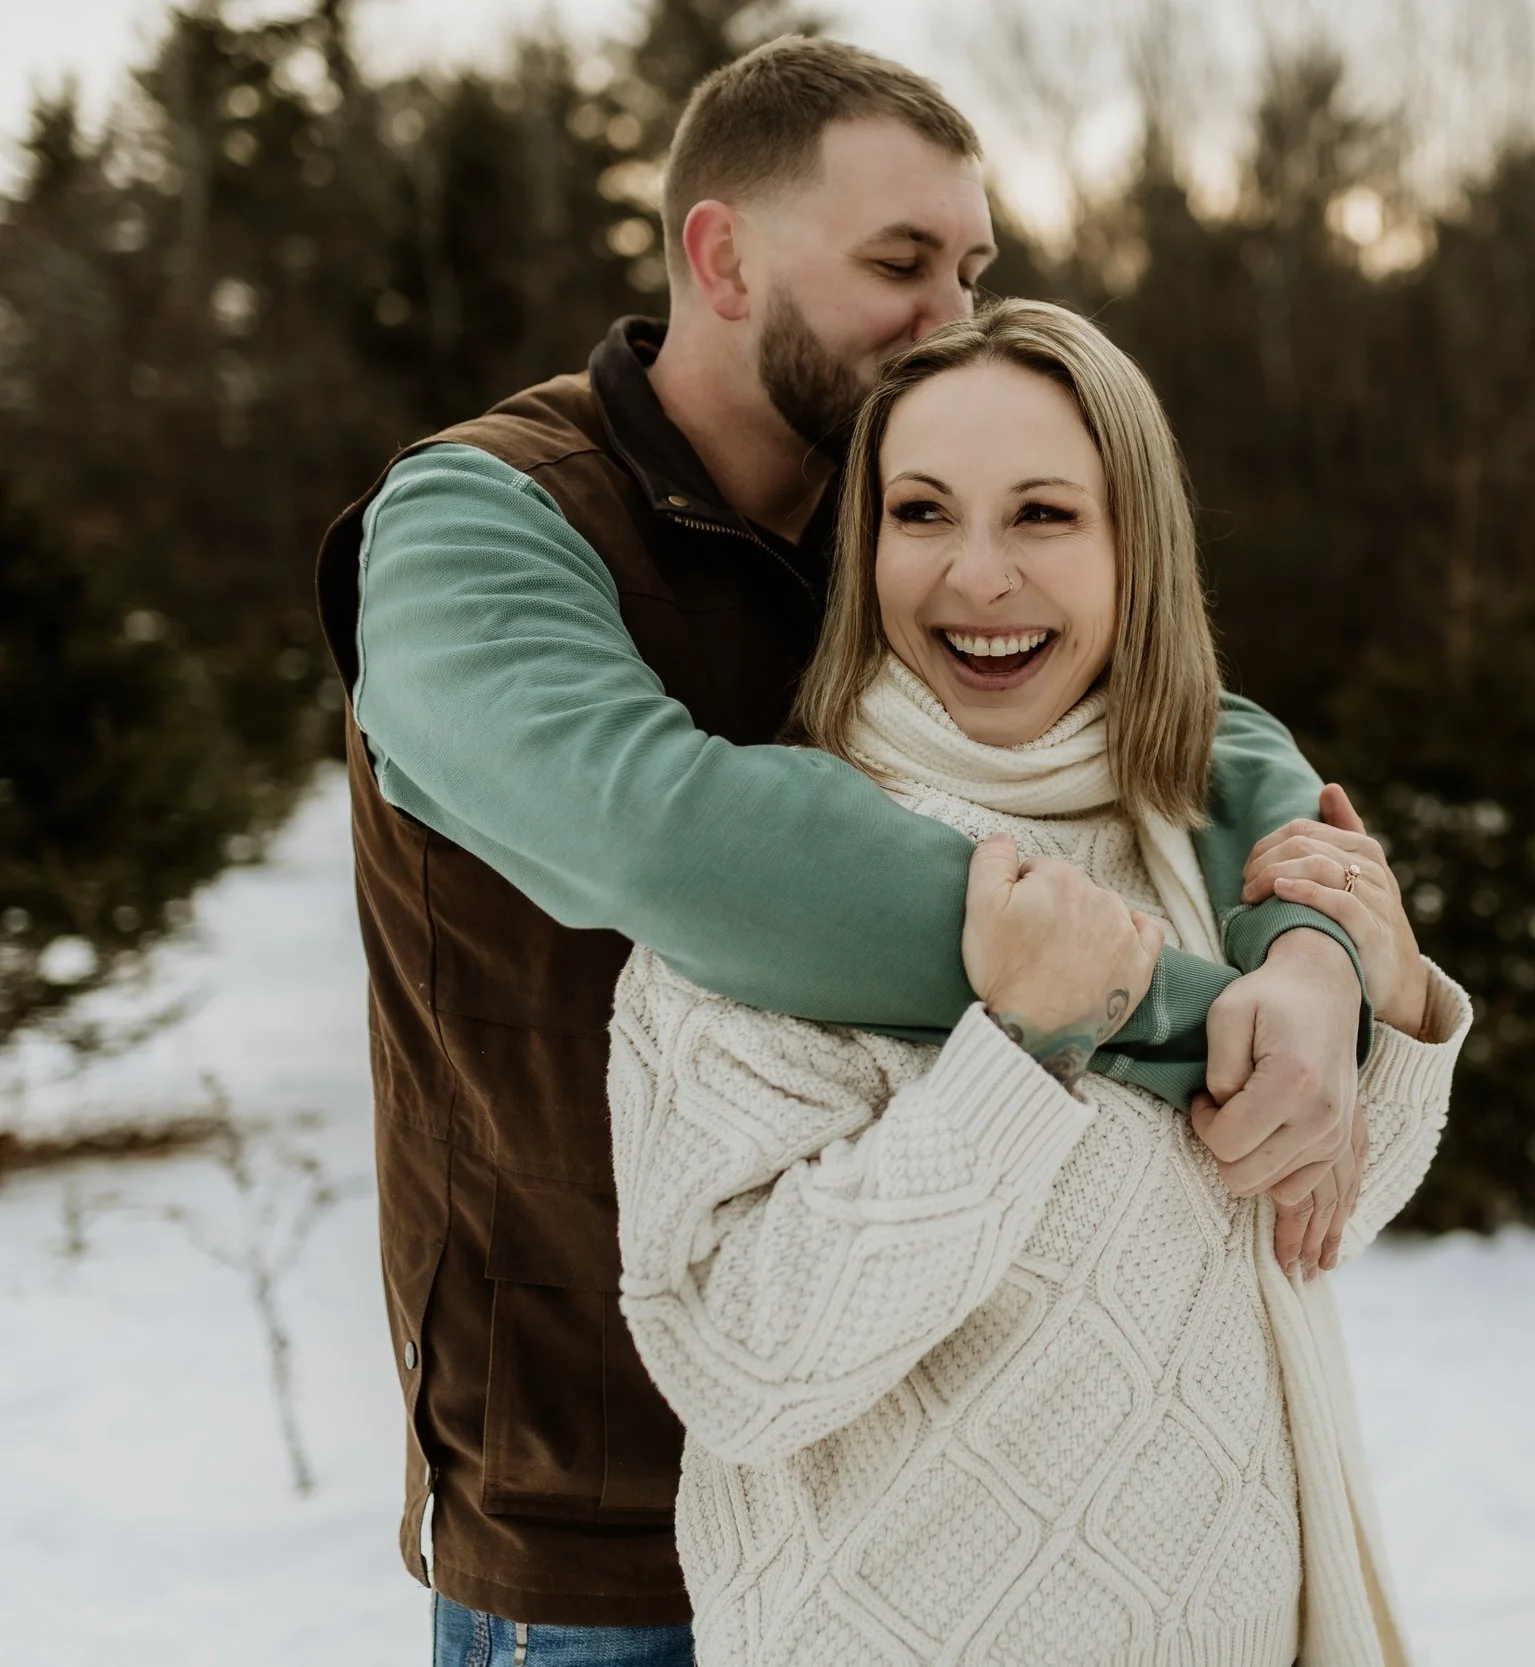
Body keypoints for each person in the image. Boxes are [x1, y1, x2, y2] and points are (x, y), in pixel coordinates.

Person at [310, 38, 1378, 1667]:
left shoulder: (896, 523)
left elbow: (1189, 712)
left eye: (972, 268)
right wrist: (1169, 1005)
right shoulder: (481, 525)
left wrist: (1316, 953)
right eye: (899, 264)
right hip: (597, 1509)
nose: (950, 319)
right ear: (720, 254)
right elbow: (678, 845)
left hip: (908, 1508)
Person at [611, 296, 1468, 1667]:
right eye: (924, 512)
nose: (978, 576)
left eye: (1045, 516)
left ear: (1138, 544)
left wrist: (1398, 1003)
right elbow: (741, 1366)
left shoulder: (1187, 830)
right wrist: (1016, 1051)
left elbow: (1300, 1228)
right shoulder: (784, 870)